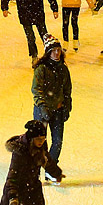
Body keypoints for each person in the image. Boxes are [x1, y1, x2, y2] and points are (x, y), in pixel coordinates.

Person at [1, 0, 59, 64]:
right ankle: (34, 56)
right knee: (30, 37)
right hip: (25, 14)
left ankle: (49, 55)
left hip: (37, 12)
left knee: (44, 35)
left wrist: (54, 8)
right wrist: (4, 8)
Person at [31, 34, 71, 170]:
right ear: (48, 52)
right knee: (38, 142)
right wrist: (42, 107)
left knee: (57, 141)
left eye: (58, 50)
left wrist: (67, 106)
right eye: (54, 50)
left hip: (58, 110)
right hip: (42, 111)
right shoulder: (41, 69)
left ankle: (50, 168)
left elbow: (67, 90)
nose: (57, 53)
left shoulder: (63, 69)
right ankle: (35, 169)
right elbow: (36, 90)